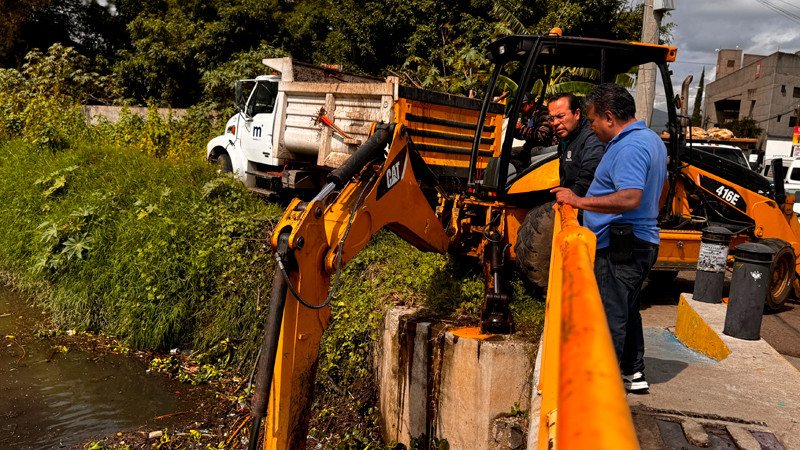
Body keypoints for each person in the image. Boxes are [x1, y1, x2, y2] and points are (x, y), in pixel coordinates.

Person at [550, 83, 667, 393]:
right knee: (627, 308)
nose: (590, 126)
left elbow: (630, 197)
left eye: (592, 120)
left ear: (610, 117)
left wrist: (579, 201)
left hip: (620, 244)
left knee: (610, 314)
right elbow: (660, 190)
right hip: (641, 238)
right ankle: (633, 372)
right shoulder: (652, 140)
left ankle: (602, 388)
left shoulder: (629, 147)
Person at [547, 93, 605, 197]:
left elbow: (589, 175)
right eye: (551, 118)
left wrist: (569, 199)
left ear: (577, 114)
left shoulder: (592, 136)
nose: (555, 123)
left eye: (560, 116)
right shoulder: (566, 137)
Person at [511, 92, 553, 172]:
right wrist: (515, 130)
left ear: (531, 103)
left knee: (532, 151)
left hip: (545, 147)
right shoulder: (526, 116)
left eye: (522, 105)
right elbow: (523, 135)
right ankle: (521, 172)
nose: (520, 108)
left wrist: (521, 128)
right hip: (531, 147)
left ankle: (524, 173)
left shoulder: (543, 113)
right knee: (508, 152)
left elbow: (541, 135)